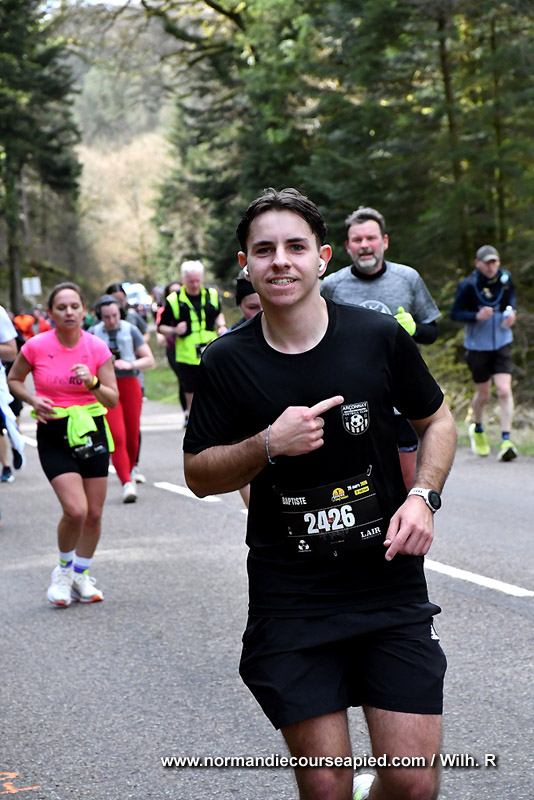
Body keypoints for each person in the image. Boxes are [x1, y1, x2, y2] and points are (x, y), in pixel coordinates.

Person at [183, 188, 457, 800]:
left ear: (322, 257)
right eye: (264, 250)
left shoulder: (376, 336)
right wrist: (268, 444)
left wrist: (423, 496)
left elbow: (437, 420)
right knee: (326, 789)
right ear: (245, 265)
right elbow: (198, 473)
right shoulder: (225, 361)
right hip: (292, 599)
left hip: (386, 585)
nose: (280, 260)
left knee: (413, 783)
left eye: (295, 247)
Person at [7, 282, 118, 607]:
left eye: (74, 306)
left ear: (84, 311)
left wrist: (92, 382)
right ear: (50, 313)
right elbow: (14, 379)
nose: (69, 312)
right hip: (54, 430)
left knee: (93, 514)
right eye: (61, 307)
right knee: (75, 510)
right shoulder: (36, 346)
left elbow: (111, 399)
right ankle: (63, 573)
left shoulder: (97, 347)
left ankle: (81, 575)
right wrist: (32, 399)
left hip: (91, 431)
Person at [320, 207, 441, 490]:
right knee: (356, 481)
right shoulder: (331, 286)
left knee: (407, 481)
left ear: (384, 241)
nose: (365, 245)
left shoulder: (408, 278)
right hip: (350, 398)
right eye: (357, 240)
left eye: (371, 238)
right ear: (348, 246)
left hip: (400, 394)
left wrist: (414, 329)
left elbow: (433, 331)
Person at [450, 244, 518, 462]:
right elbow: (455, 313)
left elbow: (511, 301)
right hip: (477, 346)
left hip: (502, 342)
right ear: (477, 263)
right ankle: (477, 428)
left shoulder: (505, 280)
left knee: (504, 390)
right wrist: (475, 316)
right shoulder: (469, 285)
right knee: (485, 395)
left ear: (499, 263)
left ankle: (506, 440)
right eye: (486, 263)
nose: (490, 267)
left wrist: (511, 313)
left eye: (494, 262)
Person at [90, 295, 155, 503]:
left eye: (115, 315)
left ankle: (132, 469)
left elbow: (149, 359)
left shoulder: (130, 330)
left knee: (132, 434)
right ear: (100, 316)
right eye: (106, 317)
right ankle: (126, 482)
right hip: (106, 387)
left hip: (129, 384)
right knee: (116, 436)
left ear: (121, 313)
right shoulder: (93, 333)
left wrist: (130, 364)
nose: (111, 320)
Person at [157, 260, 227, 419]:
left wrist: (222, 326)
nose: (195, 285)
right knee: (190, 389)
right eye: (190, 281)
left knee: (214, 387)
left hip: (210, 350)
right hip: (186, 354)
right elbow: (161, 327)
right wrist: (174, 330)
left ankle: (214, 419)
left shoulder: (212, 294)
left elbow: (218, 314)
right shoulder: (174, 299)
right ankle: (192, 418)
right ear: (183, 280)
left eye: (197, 280)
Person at [0, 305, 25, 492]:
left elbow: (11, 351)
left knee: (11, 419)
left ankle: (15, 447)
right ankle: (6, 465)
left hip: (5, 379)